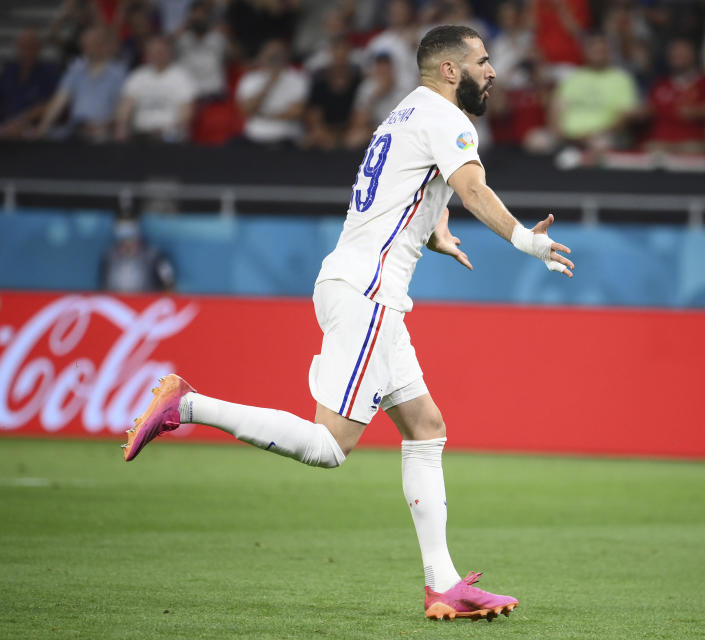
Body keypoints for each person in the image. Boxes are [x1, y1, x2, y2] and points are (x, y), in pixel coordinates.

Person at [122, 24, 574, 621]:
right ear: (448, 70)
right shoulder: (448, 121)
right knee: (331, 447)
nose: (493, 71)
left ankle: (443, 584)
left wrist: (432, 233)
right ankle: (187, 405)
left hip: (362, 285)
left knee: (426, 426)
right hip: (369, 293)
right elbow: (471, 185)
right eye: (483, 62)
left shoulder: (403, 115)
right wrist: (523, 240)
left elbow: (406, 191)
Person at [33, 25, 127, 142]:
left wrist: (107, 125)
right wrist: (42, 127)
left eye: (91, 43)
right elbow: (59, 100)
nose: (86, 47)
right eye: (85, 44)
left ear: (102, 45)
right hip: (75, 129)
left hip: (104, 131)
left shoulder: (118, 72)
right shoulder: (75, 69)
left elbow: (122, 107)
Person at [551, 32, 641, 149]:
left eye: (602, 51)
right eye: (595, 51)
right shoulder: (573, 77)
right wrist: (559, 133)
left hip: (602, 136)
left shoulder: (621, 79)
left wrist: (597, 134)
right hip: (568, 136)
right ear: (586, 52)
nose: (598, 54)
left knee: (600, 144)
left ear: (609, 53)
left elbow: (624, 116)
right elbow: (556, 107)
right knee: (537, 141)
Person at [644, 37, 705, 154]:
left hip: (693, 143)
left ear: (693, 55)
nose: (678, 57)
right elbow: (649, 108)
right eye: (675, 53)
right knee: (648, 151)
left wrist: (697, 111)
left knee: (691, 150)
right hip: (661, 144)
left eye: (682, 53)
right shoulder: (661, 84)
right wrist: (639, 112)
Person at [115, 36, 196, 142]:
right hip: (141, 136)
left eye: (160, 51)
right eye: (153, 52)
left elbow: (187, 110)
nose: (156, 55)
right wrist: (122, 126)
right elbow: (126, 105)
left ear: (169, 52)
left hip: (170, 137)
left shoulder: (181, 76)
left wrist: (170, 129)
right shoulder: (138, 76)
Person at [236, 39, 307, 145]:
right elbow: (247, 110)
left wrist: (263, 115)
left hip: (287, 137)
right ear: (262, 55)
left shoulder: (298, 78)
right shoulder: (250, 79)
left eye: (278, 55)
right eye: (271, 55)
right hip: (254, 136)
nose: (274, 59)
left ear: (285, 56)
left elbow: (296, 112)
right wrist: (269, 84)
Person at [0, 29, 61, 139]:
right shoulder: (9, 70)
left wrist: (21, 120)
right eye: (22, 47)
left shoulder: (49, 71)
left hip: (36, 130)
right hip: (6, 127)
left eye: (30, 47)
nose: (26, 51)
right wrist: (8, 126)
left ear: (38, 48)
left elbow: (53, 104)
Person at [100, 216, 176, 293]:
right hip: (116, 301)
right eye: (123, 241)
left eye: (130, 239)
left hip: (144, 301)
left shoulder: (153, 256)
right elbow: (103, 285)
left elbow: (168, 281)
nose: (127, 244)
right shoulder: (110, 256)